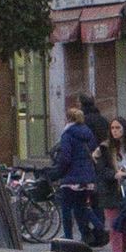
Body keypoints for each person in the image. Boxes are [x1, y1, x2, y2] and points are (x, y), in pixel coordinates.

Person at [53, 99, 104, 244]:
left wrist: (60, 172)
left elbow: (66, 157)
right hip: (88, 178)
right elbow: (93, 151)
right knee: (82, 206)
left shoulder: (67, 134)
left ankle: (68, 237)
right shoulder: (88, 133)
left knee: (66, 208)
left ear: (68, 119)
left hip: (71, 179)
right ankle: (101, 227)